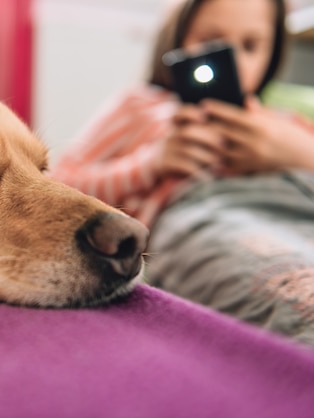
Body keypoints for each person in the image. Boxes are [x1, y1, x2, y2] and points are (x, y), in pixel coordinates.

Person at [51, 0, 314, 346]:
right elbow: (61, 183)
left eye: (250, 46)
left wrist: (297, 150)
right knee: (296, 294)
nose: (231, 60)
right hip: (209, 217)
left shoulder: (286, 124)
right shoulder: (143, 107)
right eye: (211, 40)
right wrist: (151, 164)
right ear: (177, 38)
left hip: (299, 209)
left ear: (273, 53)